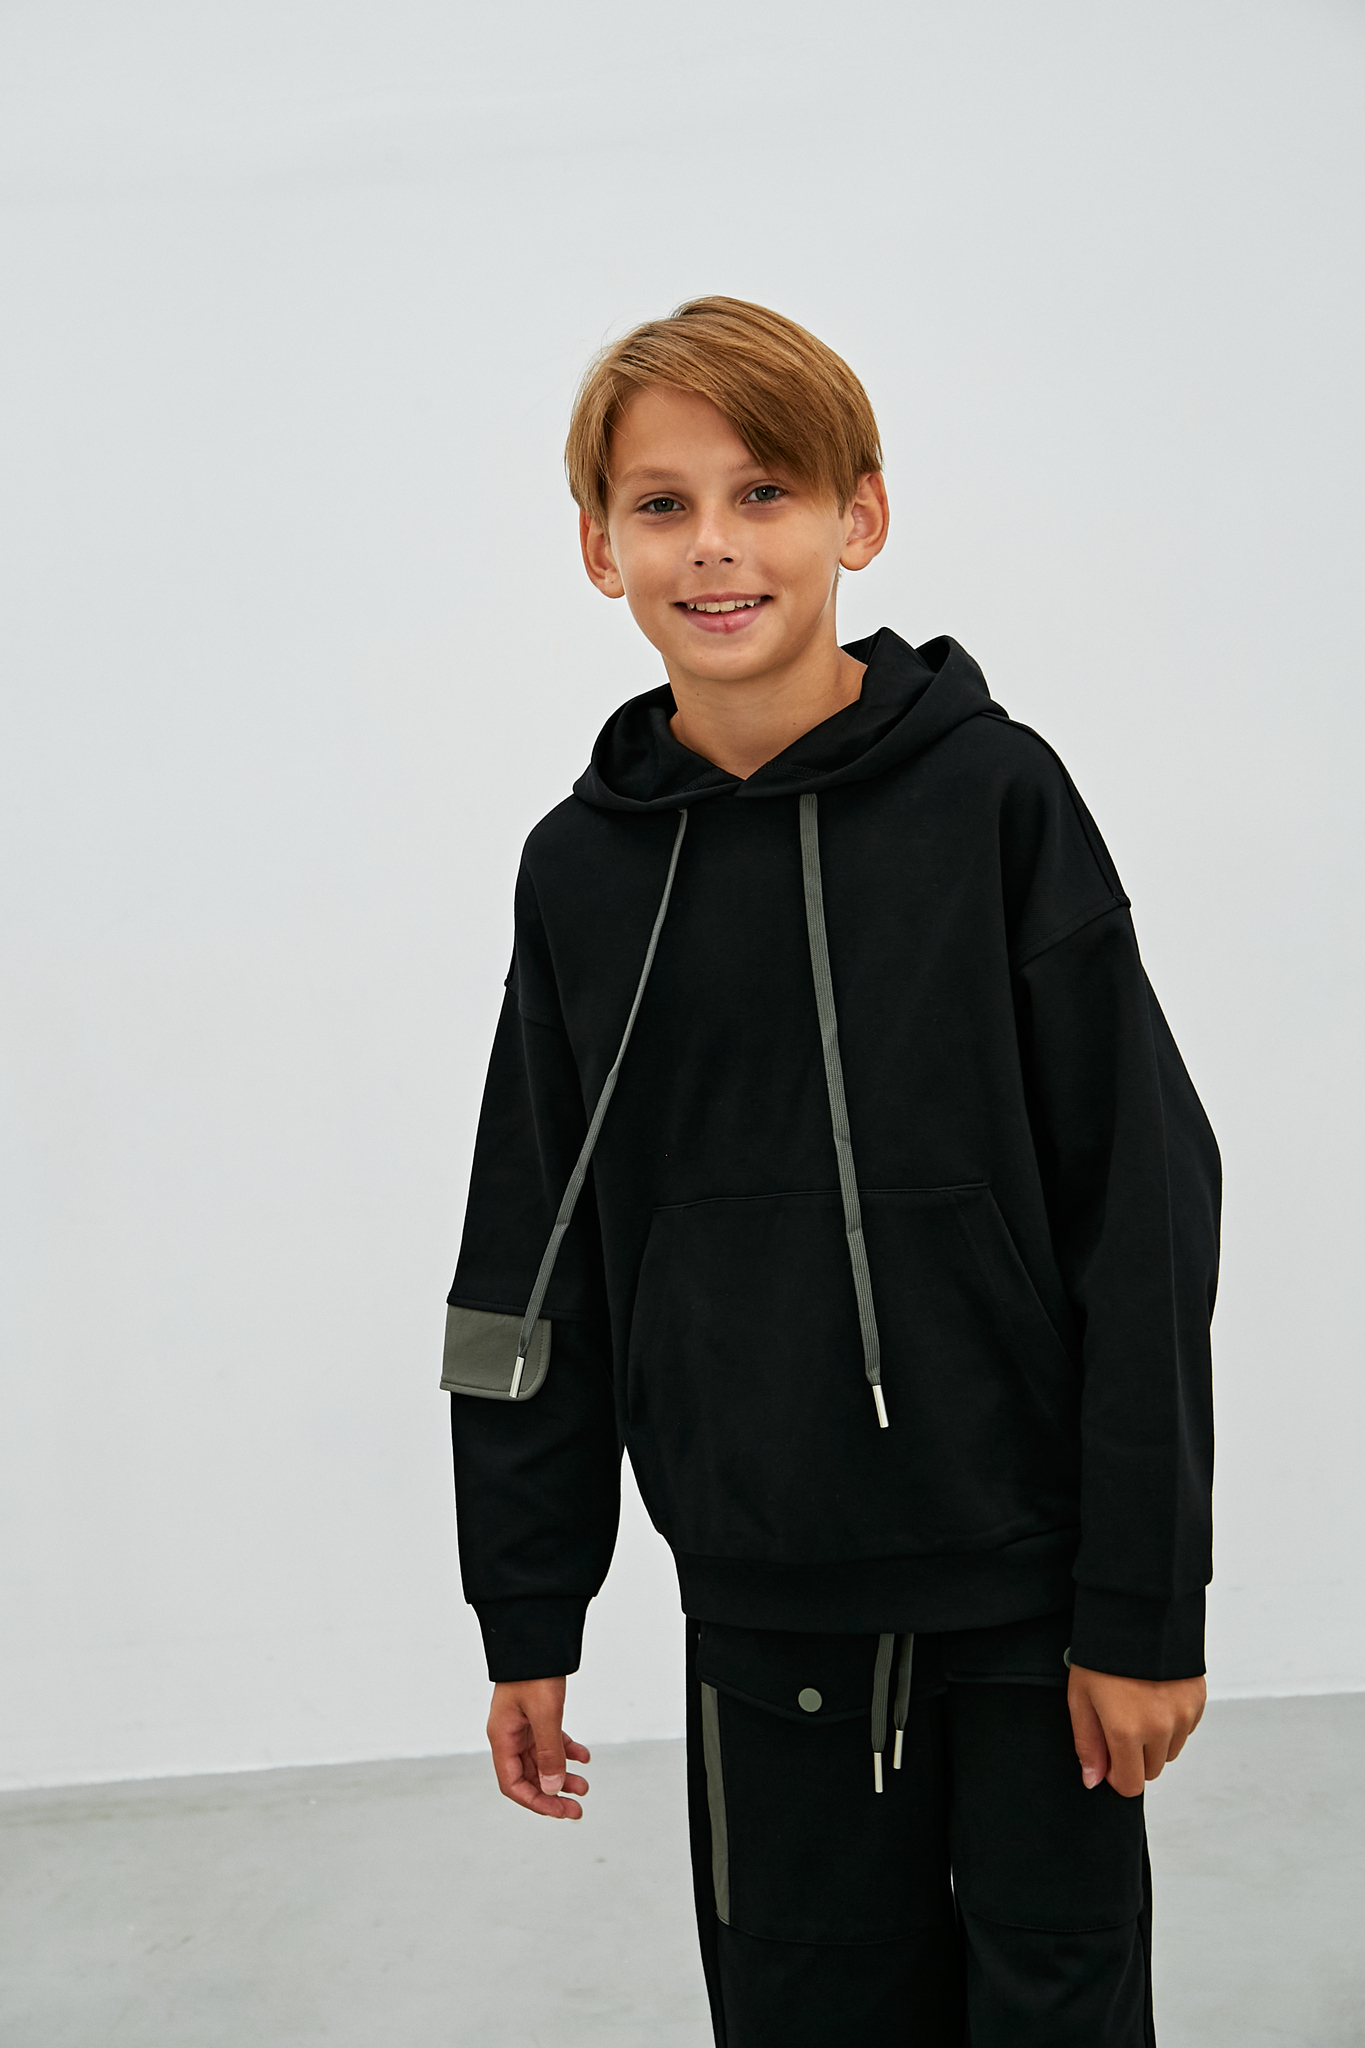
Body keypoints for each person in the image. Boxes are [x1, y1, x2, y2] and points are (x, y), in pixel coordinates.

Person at [441, 296, 1219, 2046]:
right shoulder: (578, 871)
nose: (712, 545)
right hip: (759, 1610)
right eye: (660, 504)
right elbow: (525, 1260)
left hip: (1030, 1606)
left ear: (857, 518)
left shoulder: (996, 804)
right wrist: (525, 1604)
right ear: (598, 548)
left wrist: (1142, 1606)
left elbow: (1147, 1217)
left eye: (764, 492)